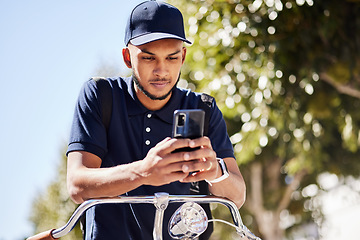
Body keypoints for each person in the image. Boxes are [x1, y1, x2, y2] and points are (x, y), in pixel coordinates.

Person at [66, 1, 246, 239]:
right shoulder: (100, 96)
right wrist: (144, 172)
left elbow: (237, 196)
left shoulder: (203, 108)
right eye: (149, 58)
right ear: (128, 58)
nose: (162, 71)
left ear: (182, 56)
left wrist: (215, 171)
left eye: (171, 58)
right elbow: (77, 186)